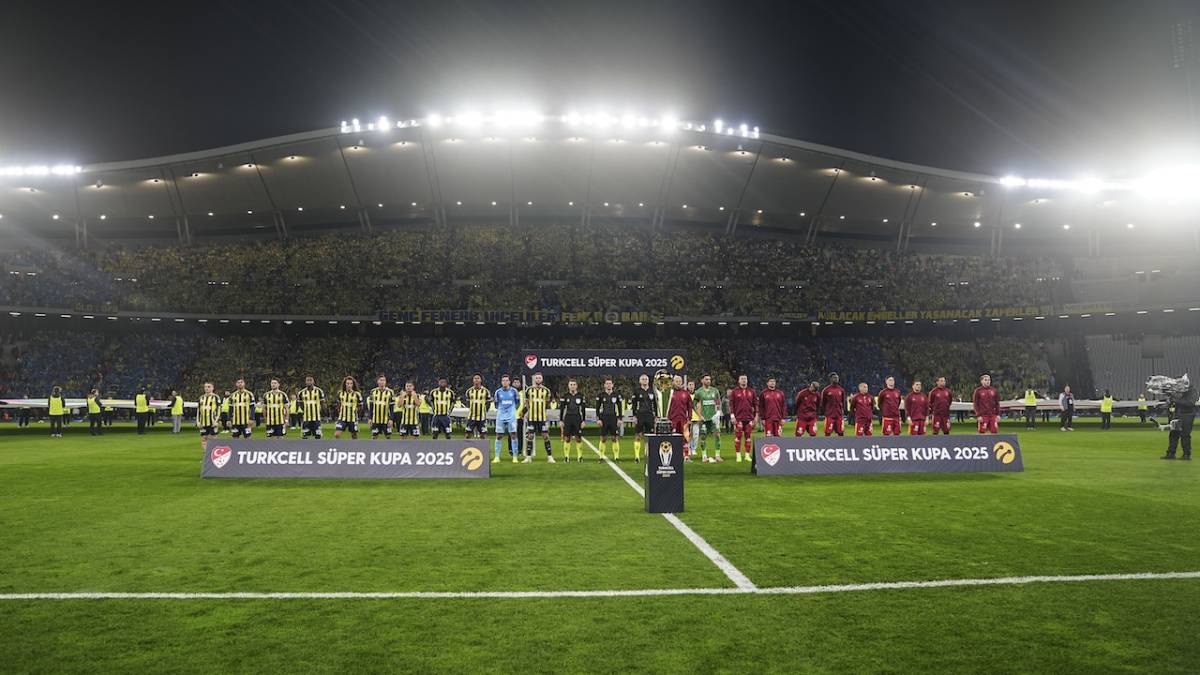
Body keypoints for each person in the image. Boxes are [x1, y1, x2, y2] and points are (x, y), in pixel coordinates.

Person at [521, 372, 553, 461]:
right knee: (530, 436)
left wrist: (543, 411)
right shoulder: (529, 390)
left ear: (542, 379)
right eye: (537, 378)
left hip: (542, 418)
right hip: (531, 417)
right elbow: (527, 403)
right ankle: (528, 457)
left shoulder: (546, 391)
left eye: (539, 378)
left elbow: (547, 403)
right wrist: (527, 411)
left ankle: (550, 457)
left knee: (545, 436)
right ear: (534, 379)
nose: (538, 379)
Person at [1161, 379, 1195, 461]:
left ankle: (1186, 454)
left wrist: (1175, 400)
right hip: (1177, 414)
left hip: (1187, 415)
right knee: (1173, 434)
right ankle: (1171, 453)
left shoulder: (1191, 391)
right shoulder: (1178, 391)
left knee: (1185, 435)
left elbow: (1190, 403)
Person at [693, 374, 722, 461]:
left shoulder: (715, 391)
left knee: (717, 435)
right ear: (702, 381)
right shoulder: (698, 392)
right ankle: (704, 456)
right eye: (706, 379)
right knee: (703, 436)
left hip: (714, 418)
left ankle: (717, 455)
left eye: (709, 379)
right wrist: (699, 415)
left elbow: (718, 402)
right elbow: (694, 405)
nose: (708, 381)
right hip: (704, 419)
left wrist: (717, 413)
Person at [728, 374, 757, 462]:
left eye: (745, 379)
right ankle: (738, 455)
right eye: (742, 379)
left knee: (748, 436)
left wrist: (756, 417)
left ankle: (747, 455)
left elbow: (755, 404)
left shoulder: (752, 391)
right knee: (738, 436)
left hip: (749, 418)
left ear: (747, 380)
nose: (744, 380)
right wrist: (732, 416)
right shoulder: (735, 391)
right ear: (739, 381)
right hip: (738, 418)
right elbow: (731, 404)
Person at [492, 375, 521, 463]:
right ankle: (497, 457)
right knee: (499, 436)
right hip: (500, 416)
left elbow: (517, 403)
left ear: (509, 382)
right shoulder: (498, 392)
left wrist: (511, 410)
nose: (505, 382)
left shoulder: (514, 391)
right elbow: (496, 404)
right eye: (503, 380)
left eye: (506, 380)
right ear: (501, 382)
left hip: (511, 416)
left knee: (513, 435)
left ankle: (515, 457)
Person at [629, 373, 657, 463]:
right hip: (640, 415)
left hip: (650, 416)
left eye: (646, 379)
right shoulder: (637, 391)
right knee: (638, 435)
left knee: (649, 436)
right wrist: (634, 416)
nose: (645, 380)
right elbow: (633, 404)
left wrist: (656, 416)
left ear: (649, 380)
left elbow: (656, 405)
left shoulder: (653, 391)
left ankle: (648, 455)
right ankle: (637, 457)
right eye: (643, 379)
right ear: (640, 381)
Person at [596, 377, 624, 462]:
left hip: (613, 418)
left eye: (610, 383)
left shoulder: (616, 395)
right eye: (607, 383)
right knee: (603, 438)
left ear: (612, 385)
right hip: (604, 418)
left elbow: (620, 408)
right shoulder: (600, 395)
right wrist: (598, 419)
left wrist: (619, 419)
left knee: (614, 437)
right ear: (604, 385)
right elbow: (597, 408)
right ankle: (601, 457)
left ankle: (616, 457)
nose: (608, 385)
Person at [667, 375, 693, 459]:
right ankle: (674, 455)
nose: (678, 383)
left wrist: (689, 417)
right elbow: (667, 407)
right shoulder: (670, 393)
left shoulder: (686, 393)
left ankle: (686, 455)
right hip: (673, 420)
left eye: (679, 381)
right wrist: (667, 418)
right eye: (676, 381)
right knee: (673, 437)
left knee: (685, 437)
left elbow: (689, 407)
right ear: (673, 382)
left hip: (683, 420)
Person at [558, 379, 584, 463]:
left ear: (576, 386)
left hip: (577, 417)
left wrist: (583, 420)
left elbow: (583, 409)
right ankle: (566, 457)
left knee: (578, 438)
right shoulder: (565, 396)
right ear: (568, 386)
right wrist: (561, 420)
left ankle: (580, 457)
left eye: (574, 384)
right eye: (571, 384)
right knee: (567, 438)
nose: (572, 386)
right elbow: (562, 409)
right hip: (568, 418)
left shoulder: (580, 396)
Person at [463, 374, 490, 440]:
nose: (476, 379)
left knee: (483, 435)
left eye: (478, 378)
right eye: (475, 378)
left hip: (482, 417)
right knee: (467, 435)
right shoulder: (469, 391)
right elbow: (467, 402)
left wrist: (485, 411)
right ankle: (466, 448)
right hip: (471, 417)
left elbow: (488, 402)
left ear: (480, 380)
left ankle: (483, 449)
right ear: (473, 380)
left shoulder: (486, 391)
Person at [196, 382, 222, 452]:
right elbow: (198, 410)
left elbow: (219, 410)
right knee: (204, 438)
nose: (207, 388)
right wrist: (198, 421)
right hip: (203, 422)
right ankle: (206, 456)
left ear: (213, 388)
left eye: (209, 387)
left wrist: (217, 421)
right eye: (205, 387)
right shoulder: (201, 398)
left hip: (212, 422)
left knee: (213, 438)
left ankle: (214, 455)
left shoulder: (216, 397)